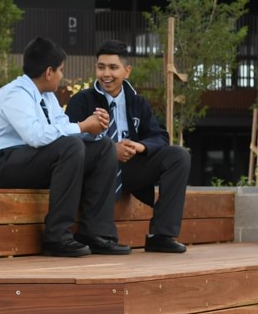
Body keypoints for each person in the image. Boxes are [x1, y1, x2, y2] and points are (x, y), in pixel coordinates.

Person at [0, 36, 130, 257]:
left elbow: (62, 126)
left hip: (31, 162)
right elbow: (35, 136)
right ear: (49, 72)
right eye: (60, 70)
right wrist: (82, 126)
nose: (62, 76)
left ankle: (95, 233)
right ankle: (57, 236)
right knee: (70, 146)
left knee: (104, 148)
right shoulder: (14, 93)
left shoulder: (47, 96)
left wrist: (90, 128)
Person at [66, 40, 192, 253]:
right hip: (95, 172)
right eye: (101, 67)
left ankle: (161, 235)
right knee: (105, 148)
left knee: (178, 156)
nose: (106, 73)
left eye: (113, 67)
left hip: (130, 170)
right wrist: (107, 150)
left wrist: (140, 147)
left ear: (127, 71)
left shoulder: (137, 102)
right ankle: (96, 234)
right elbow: (68, 139)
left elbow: (159, 135)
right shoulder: (82, 100)